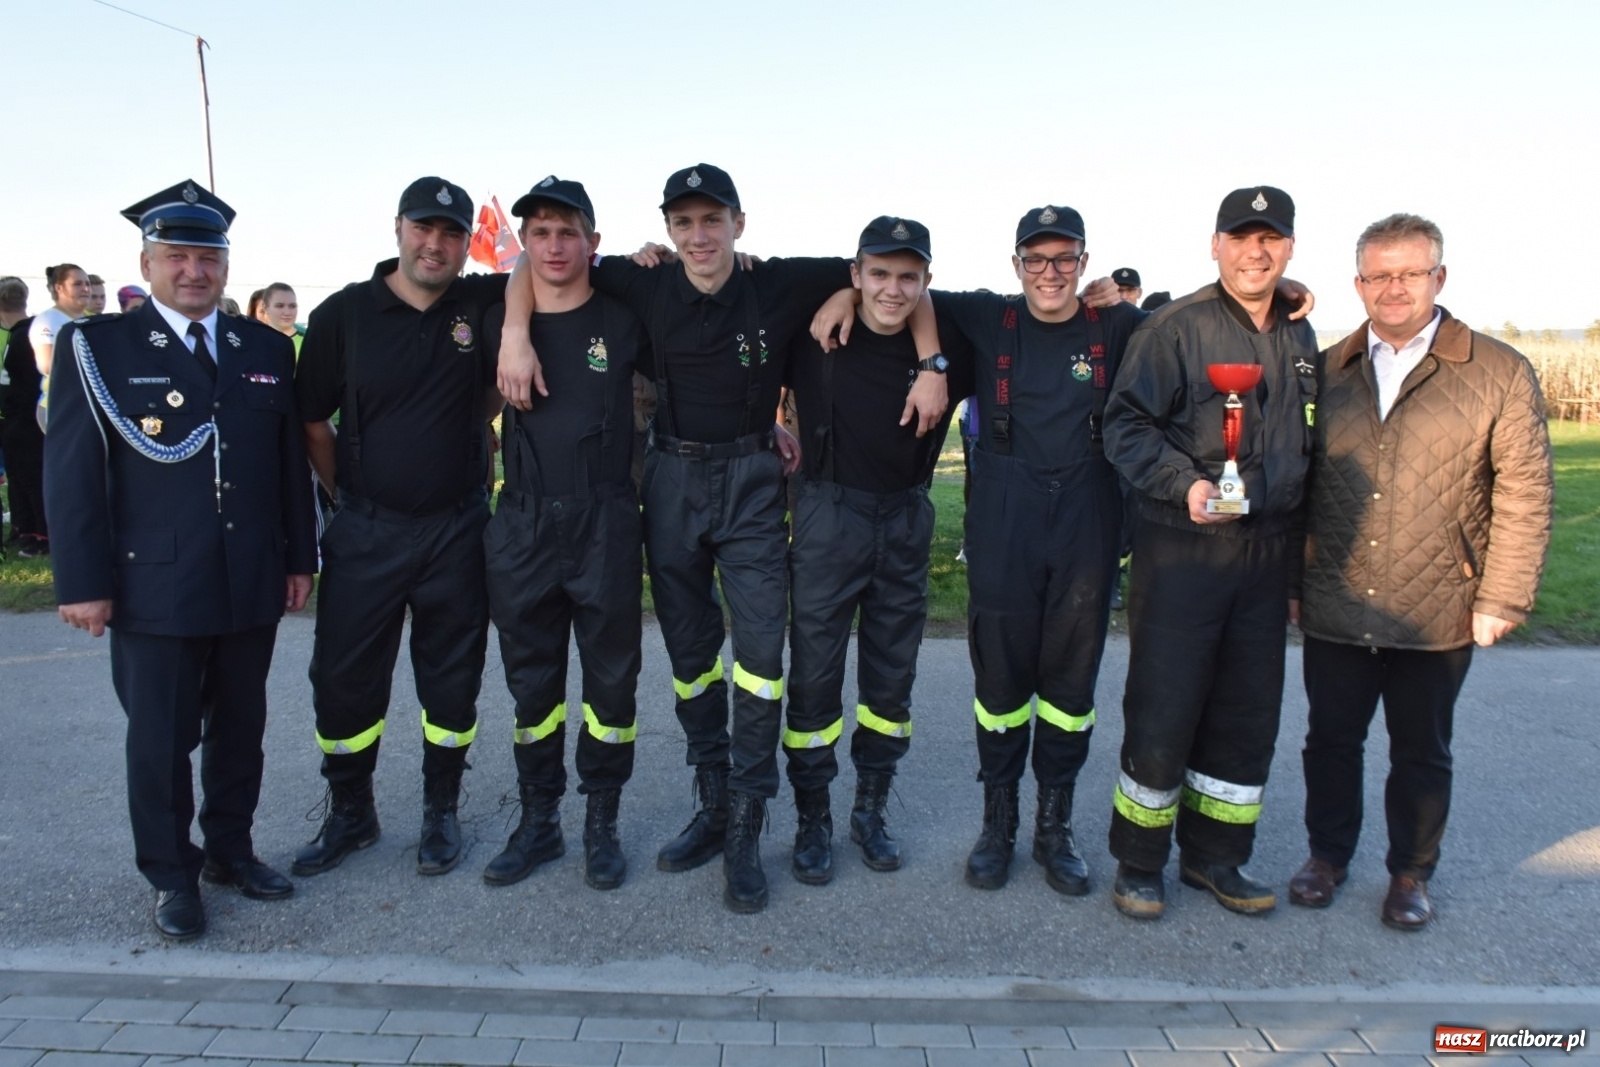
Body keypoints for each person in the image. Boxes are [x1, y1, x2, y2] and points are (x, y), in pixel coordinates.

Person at [498, 163, 946, 913]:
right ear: (668, 231)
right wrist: (514, 332)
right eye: (684, 223)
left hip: (751, 480)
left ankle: (746, 823)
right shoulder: (643, 281)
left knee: (762, 659)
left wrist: (927, 358)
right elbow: (532, 262)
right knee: (692, 657)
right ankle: (711, 805)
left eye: (713, 220)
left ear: (740, 222)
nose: (698, 236)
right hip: (669, 478)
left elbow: (894, 282)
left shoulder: (784, 282)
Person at [43, 179, 317, 941]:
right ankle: (171, 872)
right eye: (178, 257)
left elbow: (285, 465)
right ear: (148, 261)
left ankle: (231, 850)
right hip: (153, 579)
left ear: (227, 266)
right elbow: (70, 472)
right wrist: (84, 582)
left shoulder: (260, 347)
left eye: (208, 257)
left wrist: (300, 555)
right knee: (161, 737)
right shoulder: (99, 346)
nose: (194, 271)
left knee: (241, 725)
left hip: (249, 574)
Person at [1289, 213, 1553, 931]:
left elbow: (1525, 492)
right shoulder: (1331, 370)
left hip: (1440, 600)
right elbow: (1300, 481)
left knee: (1422, 748)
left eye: (1409, 272)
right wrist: (1292, 580)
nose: (1394, 287)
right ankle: (1326, 856)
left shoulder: (1496, 371)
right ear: (1359, 284)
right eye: (1378, 275)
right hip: (1338, 597)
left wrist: (1501, 594)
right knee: (1330, 740)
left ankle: (1411, 872)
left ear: (1439, 276)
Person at [1103, 186, 1319, 920]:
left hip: (1265, 550)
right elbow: (1125, 426)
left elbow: (1306, 449)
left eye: (1271, 239)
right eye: (1241, 237)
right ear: (1216, 244)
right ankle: (1139, 862)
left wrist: (1295, 570)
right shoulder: (1175, 328)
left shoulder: (1301, 332)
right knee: (1165, 705)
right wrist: (1185, 484)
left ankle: (1217, 856)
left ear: (1288, 247)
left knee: (1245, 713)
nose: (1256, 252)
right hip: (1185, 547)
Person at [292, 176, 505, 880]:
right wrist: (344, 495)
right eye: (424, 228)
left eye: (451, 232)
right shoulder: (343, 315)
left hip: (457, 530)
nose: (436, 244)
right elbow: (312, 419)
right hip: (367, 531)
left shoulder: (480, 302)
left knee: (452, 682)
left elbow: (545, 274)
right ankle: (352, 811)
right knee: (344, 680)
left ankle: (440, 811)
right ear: (398, 228)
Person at [928, 207, 1144, 895]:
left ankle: (1055, 828)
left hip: (1088, 515)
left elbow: (1203, 318)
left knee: (1070, 688)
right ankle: (999, 824)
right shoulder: (989, 316)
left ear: (1085, 261)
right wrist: (933, 362)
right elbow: (899, 293)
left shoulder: (1119, 325)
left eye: (1064, 258)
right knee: (1000, 684)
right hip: (1004, 517)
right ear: (1015, 263)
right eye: (1036, 259)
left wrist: (1292, 296)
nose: (1049, 273)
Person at [781, 216, 967, 884]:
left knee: (891, 682)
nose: (893, 289)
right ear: (853, 274)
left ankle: (870, 808)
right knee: (813, 678)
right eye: (878, 274)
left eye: (907, 276)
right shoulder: (816, 322)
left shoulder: (951, 339)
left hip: (906, 517)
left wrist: (934, 361)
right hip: (830, 513)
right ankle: (812, 818)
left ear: (926, 282)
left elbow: (1043, 306)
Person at [479, 176, 648, 891]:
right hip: (522, 521)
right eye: (539, 231)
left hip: (604, 518)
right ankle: (539, 820)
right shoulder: (498, 314)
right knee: (532, 687)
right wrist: (515, 331)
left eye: (567, 231)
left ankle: (601, 820)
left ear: (594, 243)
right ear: (525, 243)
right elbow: (511, 279)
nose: (553, 244)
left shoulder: (626, 314)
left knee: (611, 683)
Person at [31, 262, 92, 432]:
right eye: (77, 284)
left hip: (87, 404)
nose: (86, 289)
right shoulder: (49, 320)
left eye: (87, 284)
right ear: (59, 288)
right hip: (59, 406)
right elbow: (47, 365)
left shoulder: (90, 320)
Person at [259, 283, 303, 356]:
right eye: (279, 306)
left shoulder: (307, 342)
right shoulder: (255, 342)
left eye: (292, 306)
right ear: (265, 307)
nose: (287, 312)